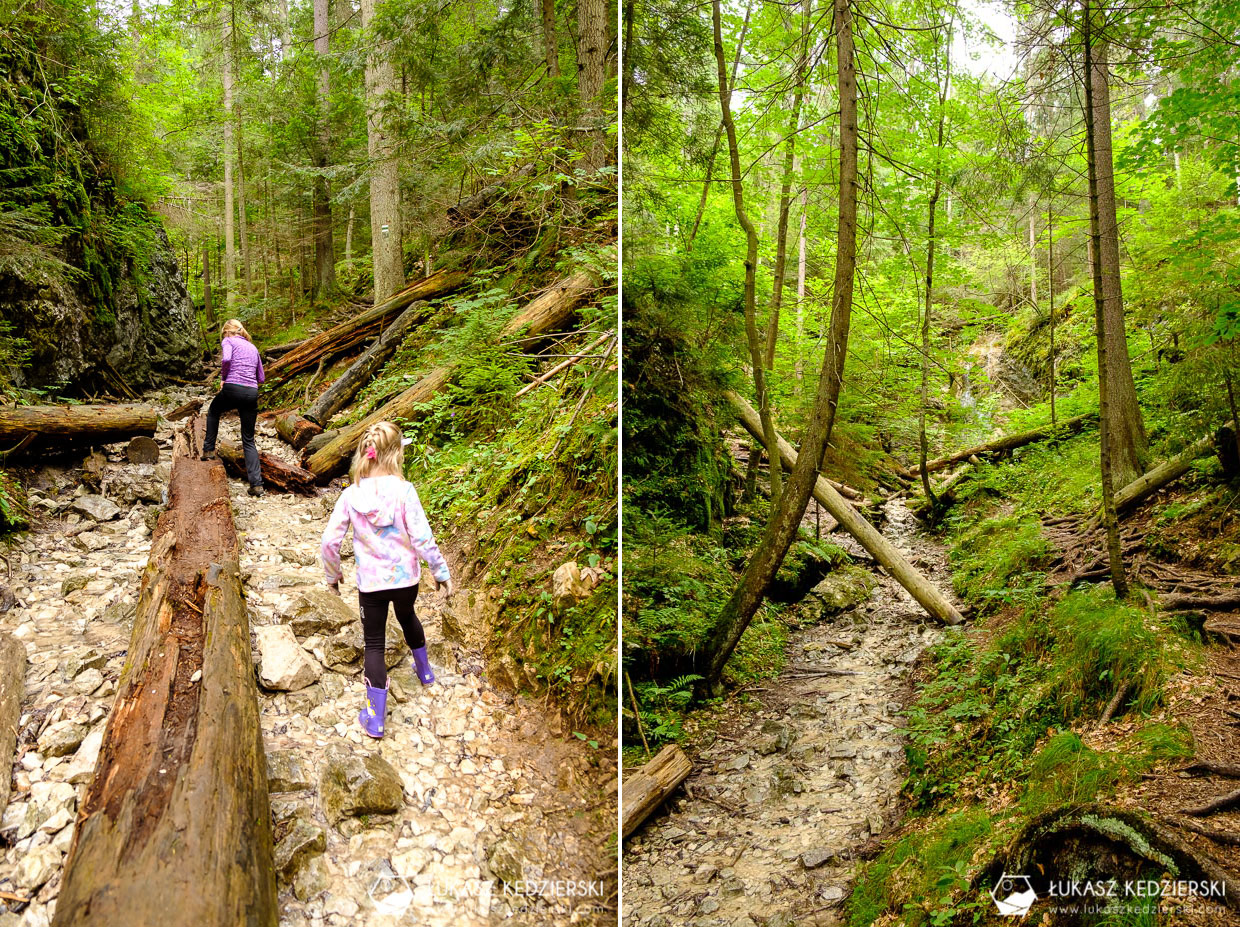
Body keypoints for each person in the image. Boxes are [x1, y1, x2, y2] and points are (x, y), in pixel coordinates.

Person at [320, 421, 454, 739]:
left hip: (371, 586)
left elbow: (329, 542)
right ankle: (425, 673)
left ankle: (375, 719)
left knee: (375, 645)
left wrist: (333, 576)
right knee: (408, 616)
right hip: (406, 580)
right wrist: (441, 572)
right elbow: (423, 538)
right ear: (395, 454)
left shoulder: (351, 495)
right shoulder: (404, 491)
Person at [201, 319, 265, 497]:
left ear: (228, 332)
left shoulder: (228, 341)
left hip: (232, 387)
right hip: (251, 392)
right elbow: (261, 376)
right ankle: (257, 485)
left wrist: (224, 377)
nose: (224, 337)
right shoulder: (252, 347)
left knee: (214, 411)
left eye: (224, 334)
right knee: (248, 439)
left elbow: (227, 358)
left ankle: (208, 450)